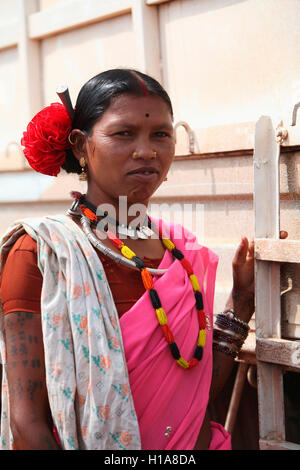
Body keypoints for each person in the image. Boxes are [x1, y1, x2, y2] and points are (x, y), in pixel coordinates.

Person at [0, 69, 255, 450]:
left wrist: (243, 300)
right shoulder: (42, 253)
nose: (147, 151)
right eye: (123, 133)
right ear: (81, 144)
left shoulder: (182, 252)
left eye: (161, 135)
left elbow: (191, 391)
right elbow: (27, 423)